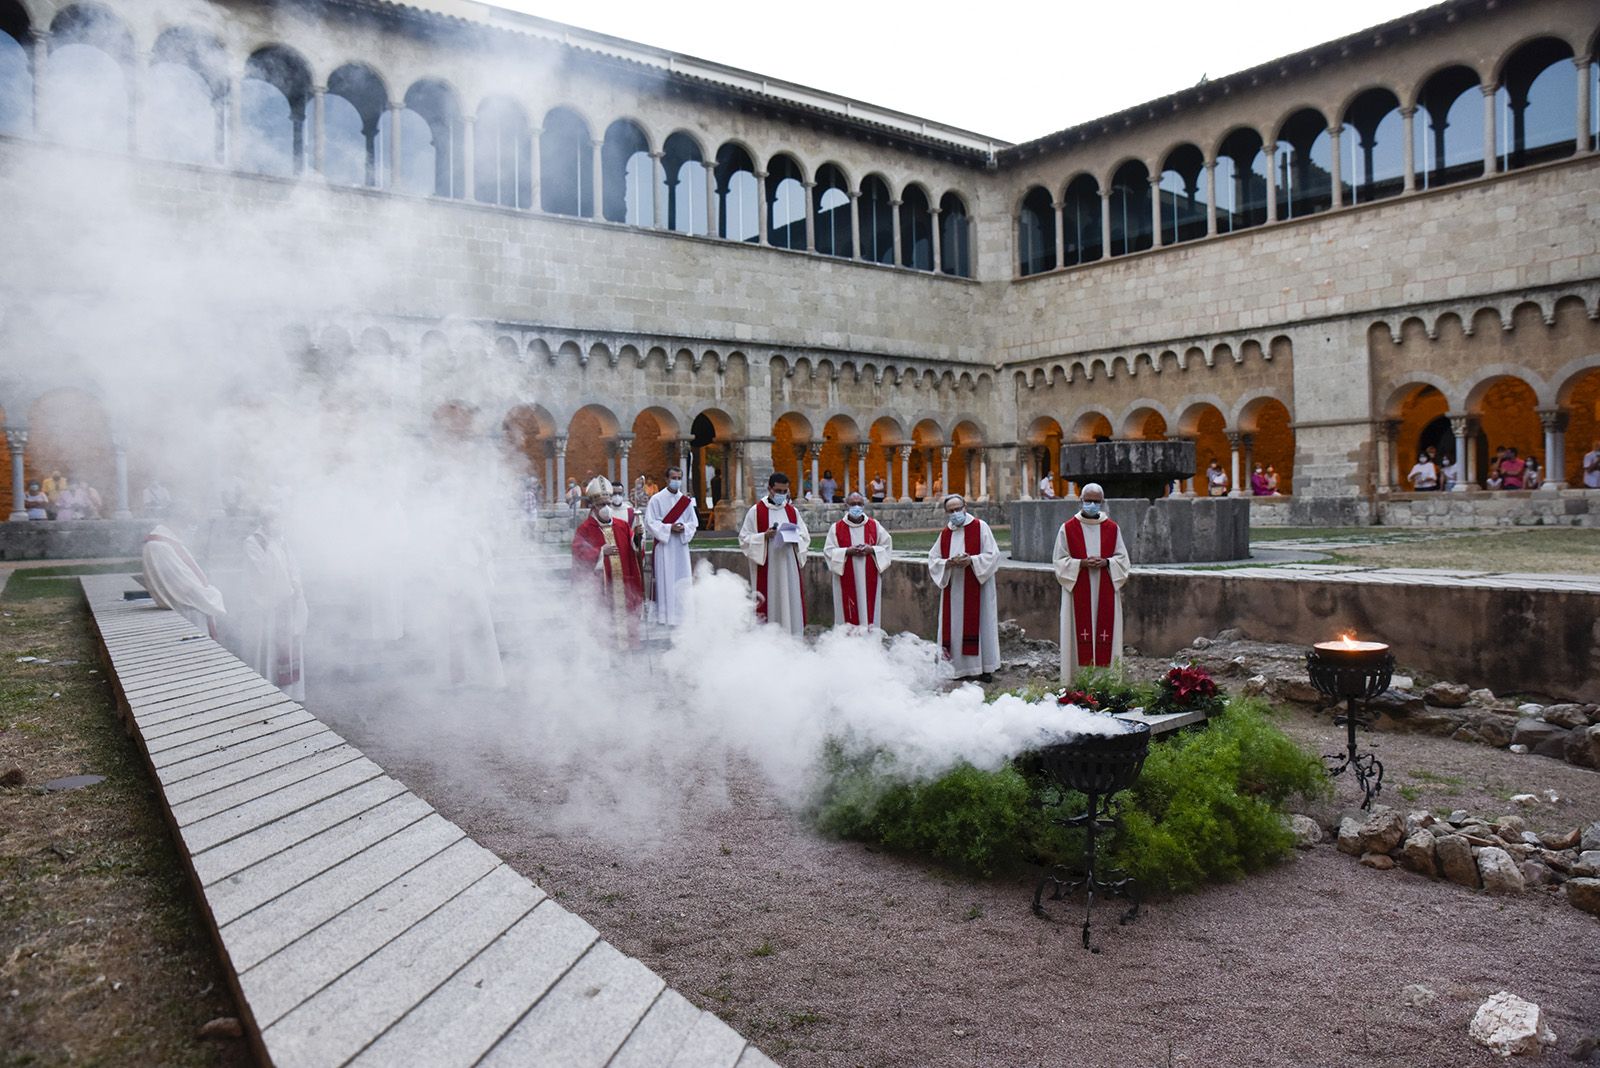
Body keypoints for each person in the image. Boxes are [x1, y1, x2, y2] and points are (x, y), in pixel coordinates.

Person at [1052, 483, 1131, 683]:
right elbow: (1059, 561)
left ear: (1102, 503)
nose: (1092, 505)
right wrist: (1081, 563)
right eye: (1089, 501)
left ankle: (1107, 683)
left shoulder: (1112, 528)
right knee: (1078, 634)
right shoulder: (1068, 528)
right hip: (1078, 588)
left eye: (1096, 501)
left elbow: (1123, 560)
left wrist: (1107, 562)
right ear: (1081, 500)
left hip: (1105, 589)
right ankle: (1076, 682)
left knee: (1106, 634)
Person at [927, 494, 1001, 681]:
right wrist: (948, 563)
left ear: (965, 507)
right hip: (955, 588)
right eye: (950, 511)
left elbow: (993, 555)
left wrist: (972, 560)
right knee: (954, 628)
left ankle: (985, 668)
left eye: (957, 509)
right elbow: (933, 560)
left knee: (982, 623)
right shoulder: (945, 533)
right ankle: (957, 669)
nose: (955, 513)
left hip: (978, 586)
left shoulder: (980, 527)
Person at [241, 511, 308, 701]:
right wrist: (284, 589)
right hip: (270, 606)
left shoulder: (281, 540)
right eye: (276, 521)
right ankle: (269, 689)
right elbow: (262, 573)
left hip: (288, 601)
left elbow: (293, 566)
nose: (280, 525)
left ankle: (290, 693)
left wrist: (295, 585)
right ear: (266, 522)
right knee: (270, 648)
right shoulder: (254, 542)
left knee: (289, 646)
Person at [572, 476, 645, 645]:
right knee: (603, 624)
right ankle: (604, 659)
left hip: (623, 584)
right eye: (601, 505)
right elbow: (578, 553)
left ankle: (625, 653)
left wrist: (638, 538)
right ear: (593, 506)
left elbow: (635, 549)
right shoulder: (585, 529)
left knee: (625, 621)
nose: (605, 508)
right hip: (600, 588)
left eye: (607, 503)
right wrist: (599, 552)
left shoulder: (622, 525)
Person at [739, 472, 809, 635]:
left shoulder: (792, 512)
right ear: (769, 489)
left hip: (789, 562)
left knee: (790, 600)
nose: (782, 495)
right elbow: (744, 539)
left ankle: (793, 636)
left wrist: (794, 536)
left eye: (785, 491)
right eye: (778, 491)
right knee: (771, 600)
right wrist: (764, 536)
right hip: (768, 566)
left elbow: (805, 536)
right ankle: (767, 639)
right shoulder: (756, 511)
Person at [140, 521, 226, 637]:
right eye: (188, 524)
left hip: (182, 612)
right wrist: (213, 594)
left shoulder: (165, 542)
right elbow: (186, 587)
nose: (190, 530)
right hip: (185, 615)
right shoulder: (159, 546)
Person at [823, 491, 893, 633]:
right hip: (846, 577)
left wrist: (872, 549)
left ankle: (870, 639)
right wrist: (847, 551)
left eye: (859, 504)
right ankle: (847, 643)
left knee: (869, 610)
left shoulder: (875, 526)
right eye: (853, 504)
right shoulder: (836, 528)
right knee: (848, 613)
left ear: (864, 505)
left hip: (870, 576)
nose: (856, 507)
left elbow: (887, 547)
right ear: (846, 505)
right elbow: (828, 552)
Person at [645, 465, 697, 626]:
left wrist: (683, 528)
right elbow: (650, 522)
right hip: (665, 546)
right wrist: (668, 528)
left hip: (680, 546)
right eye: (673, 478)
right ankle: (665, 616)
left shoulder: (685, 501)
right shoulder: (656, 499)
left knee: (682, 577)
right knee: (666, 578)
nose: (676, 481)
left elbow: (693, 523)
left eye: (678, 478)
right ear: (666, 479)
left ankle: (682, 615)